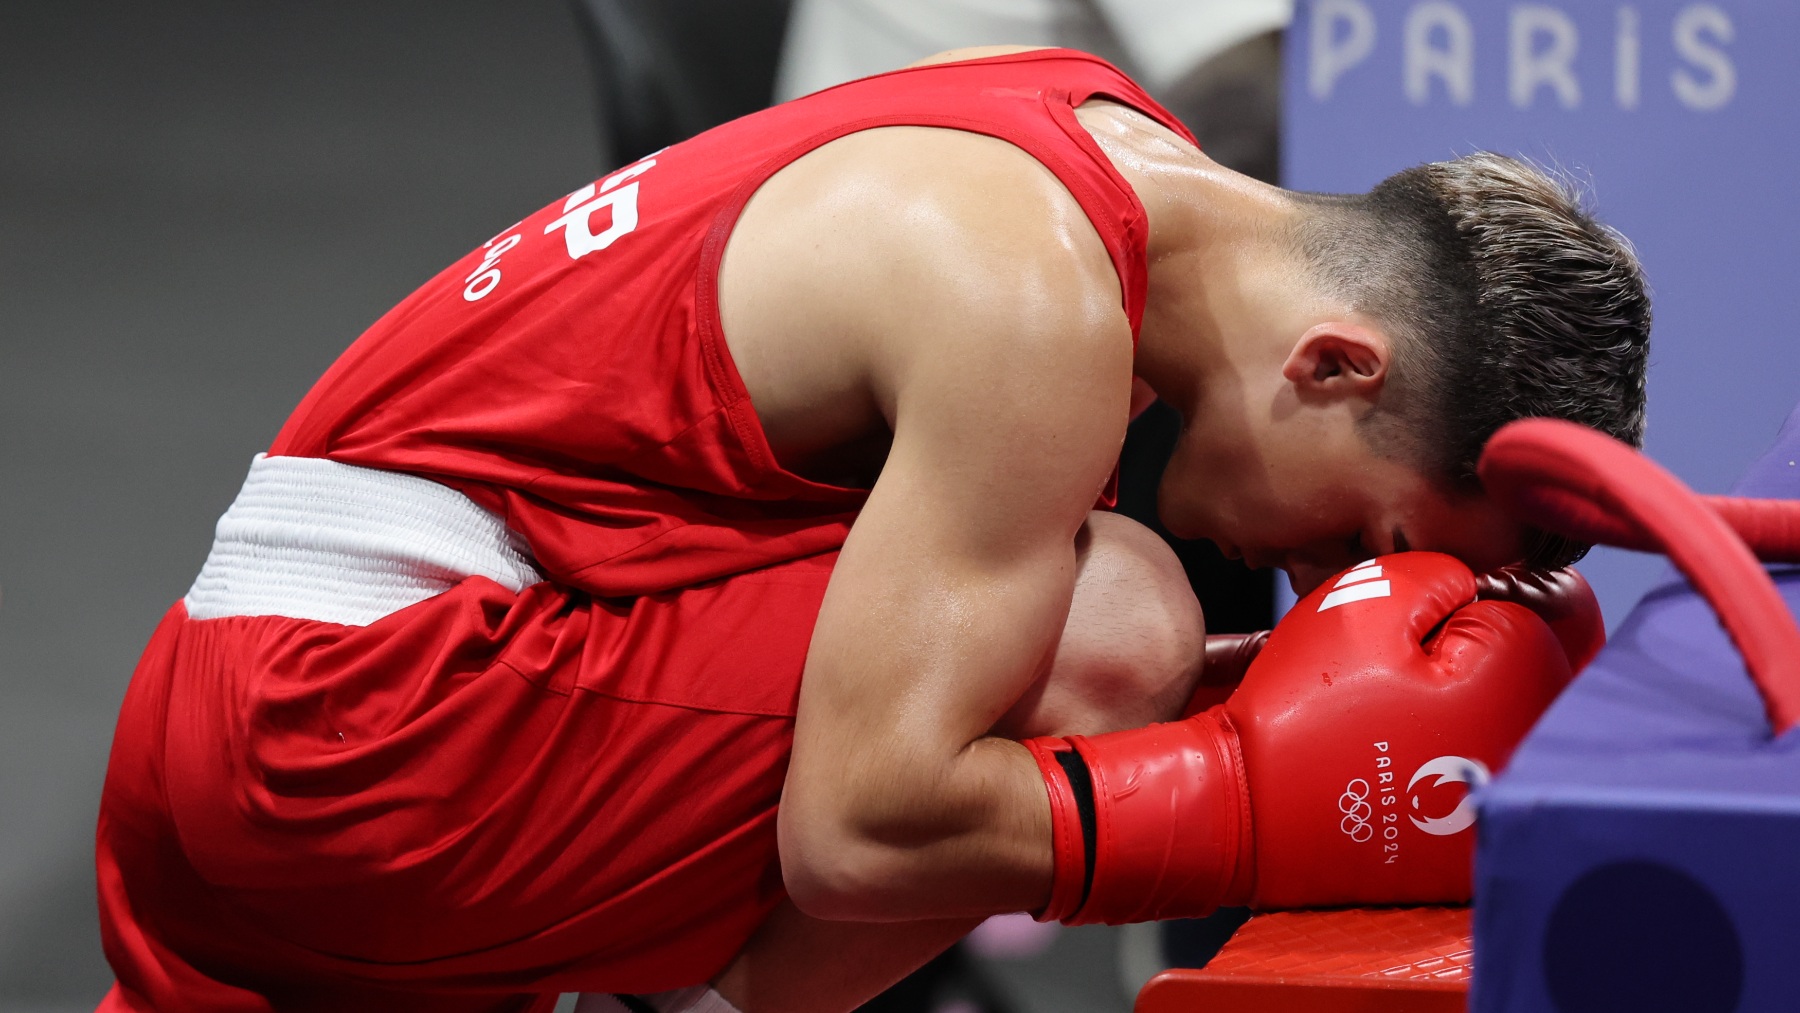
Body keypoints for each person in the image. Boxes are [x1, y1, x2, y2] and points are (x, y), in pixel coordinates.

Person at [94, 45, 1646, 1013]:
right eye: (1363, 537)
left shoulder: (1085, 126)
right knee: (1112, 625)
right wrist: (1257, 796)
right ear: (1332, 366)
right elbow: (859, 832)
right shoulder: (1029, 299)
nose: (1326, 584)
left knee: (1074, 630)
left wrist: (1275, 698)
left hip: (272, 712)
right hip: (350, 734)